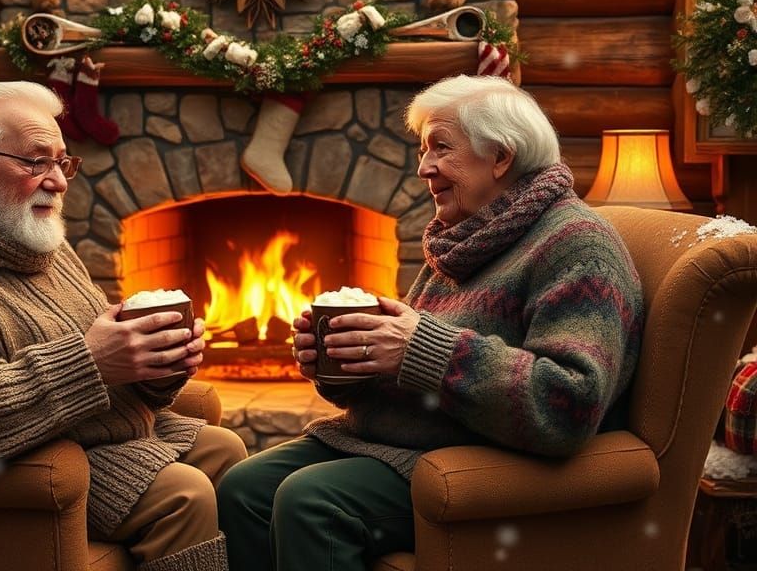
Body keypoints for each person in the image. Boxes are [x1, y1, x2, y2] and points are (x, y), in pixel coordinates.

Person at [216, 74, 645, 571]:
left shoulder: (578, 246)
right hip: (410, 440)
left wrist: (418, 346)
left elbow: (568, 403)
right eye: (423, 149)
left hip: (480, 457)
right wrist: (350, 365)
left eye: (441, 147)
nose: (424, 167)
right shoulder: (468, 234)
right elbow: (416, 364)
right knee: (243, 488)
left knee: (311, 500)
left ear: (501, 156)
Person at [0, 81, 246, 571]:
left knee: (226, 452)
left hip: (84, 435)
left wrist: (152, 367)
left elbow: (99, 354)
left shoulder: (24, 234)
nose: (58, 181)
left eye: (62, 162)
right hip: (23, 465)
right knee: (183, 494)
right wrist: (92, 362)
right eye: (35, 162)